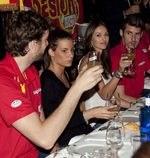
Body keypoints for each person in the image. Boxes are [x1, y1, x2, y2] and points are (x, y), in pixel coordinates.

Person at [0, 10, 103, 157]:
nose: (47, 44)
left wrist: (54, 144)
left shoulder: (30, 71)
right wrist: (78, 87)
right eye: (45, 40)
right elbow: (44, 139)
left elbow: (39, 113)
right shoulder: (3, 81)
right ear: (32, 45)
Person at [40, 28, 118, 149]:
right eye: (64, 51)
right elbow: (54, 122)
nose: (71, 55)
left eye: (72, 50)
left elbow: (74, 107)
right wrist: (91, 113)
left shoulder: (64, 74)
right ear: (51, 52)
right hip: (67, 138)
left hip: (82, 131)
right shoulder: (47, 80)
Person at [78, 20, 132, 127]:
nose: (104, 38)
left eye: (106, 34)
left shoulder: (101, 59)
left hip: (109, 115)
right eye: (98, 35)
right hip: (97, 121)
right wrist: (119, 71)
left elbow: (112, 97)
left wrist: (135, 105)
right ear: (90, 39)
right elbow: (105, 95)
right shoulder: (91, 60)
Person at [110, 14, 150, 103]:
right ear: (121, 33)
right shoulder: (115, 55)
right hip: (123, 107)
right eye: (129, 33)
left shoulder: (139, 52)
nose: (133, 39)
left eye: (137, 34)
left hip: (139, 99)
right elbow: (121, 97)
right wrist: (146, 104)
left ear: (141, 35)